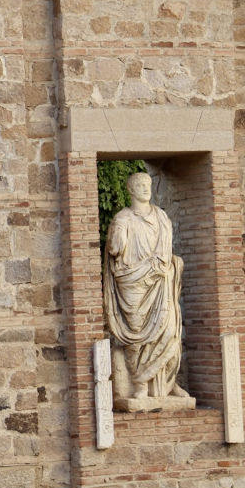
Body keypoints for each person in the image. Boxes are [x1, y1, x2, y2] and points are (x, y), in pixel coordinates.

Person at [103, 171, 189, 401]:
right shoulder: (123, 218)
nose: (145, 188)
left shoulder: (161, 216)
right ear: (130, 190)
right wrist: (117, 235)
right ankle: (140, 382)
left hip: (160, 280)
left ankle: (168, 382)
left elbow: (167, 252)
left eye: (147, 184)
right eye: (139, 185)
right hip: (132, 282)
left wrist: (171, 264)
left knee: (169, 332)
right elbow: (115, 250)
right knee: (136, 336)